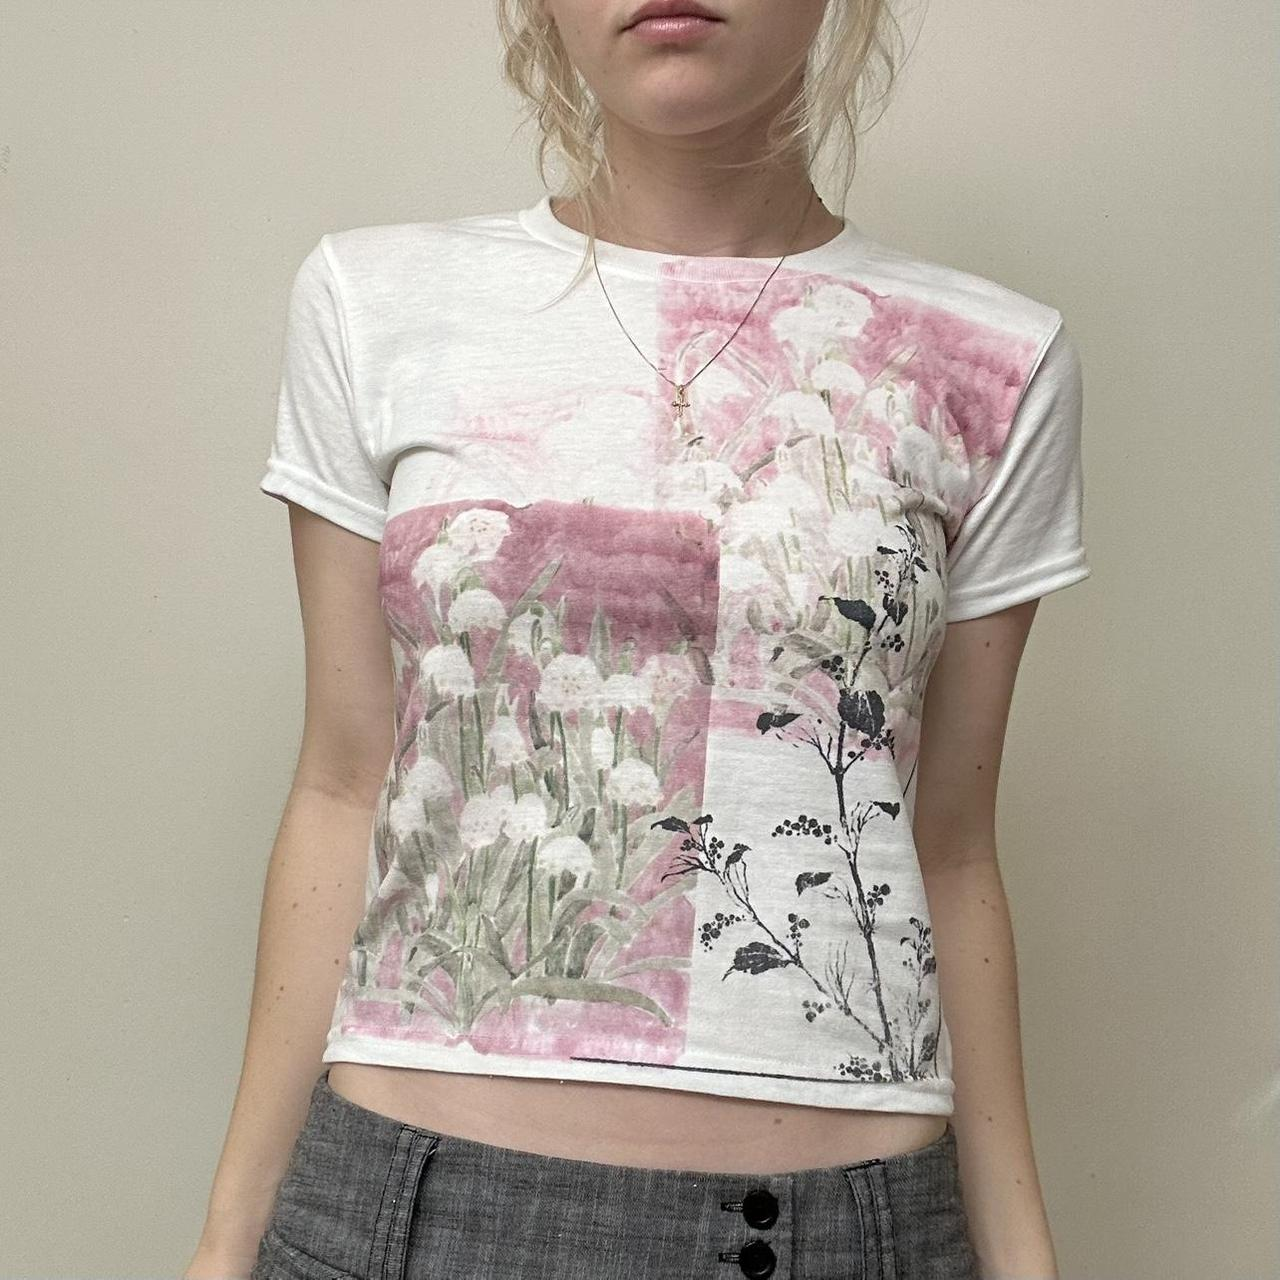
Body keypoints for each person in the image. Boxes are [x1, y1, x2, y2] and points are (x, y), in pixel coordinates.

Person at [187, 1, 1091, 1277]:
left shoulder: (991, 357)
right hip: (411, 1216)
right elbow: (344, 782)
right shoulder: (376, 301)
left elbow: (948, 848)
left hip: (843, 1232)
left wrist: (1023, 1254)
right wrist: (227, 1237)